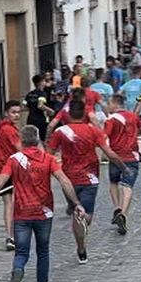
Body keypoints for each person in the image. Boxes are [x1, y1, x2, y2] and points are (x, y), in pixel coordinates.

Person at [0, 125, 85, 282]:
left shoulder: (14, 160)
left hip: (22, 214)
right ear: (38, 141)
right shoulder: (48, 159)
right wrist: (76, 203)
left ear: (21, 141)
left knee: (21, 252)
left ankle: (18, 269)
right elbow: (64, 180)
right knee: (43, 251)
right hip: (44, 213)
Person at [47, 97, 122, 262]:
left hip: (68, 179)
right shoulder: (93, 130)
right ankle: (81, 244)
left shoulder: (60, 132)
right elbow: (108, 153)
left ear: (68, 115)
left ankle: (80, 245)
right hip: (90, 178)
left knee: (77, 211)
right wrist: (123, 167)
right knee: (86, 216)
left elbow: (49, 156)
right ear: (84, 114)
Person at [103, 93, 141, 235]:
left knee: (113, 182)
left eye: (109, 103)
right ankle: (123, 213)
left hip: (115, 156)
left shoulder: (111, 120)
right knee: (128, 186)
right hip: (132, 156)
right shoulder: (133, 116)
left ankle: (117, 207)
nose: (108, 105)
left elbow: (104, 136)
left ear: (115, 103)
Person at [0, 100, 23, 250]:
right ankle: (12, 236)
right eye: (13, 112)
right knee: (13, 203)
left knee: (8, 203)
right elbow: (20, 149)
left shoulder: (1, 128)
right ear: (6, 113)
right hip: (9, 169)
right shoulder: (9, 130)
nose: (16, 115)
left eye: (18, 112)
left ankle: (10, 236)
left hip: (1, 168)